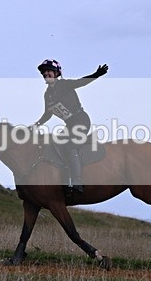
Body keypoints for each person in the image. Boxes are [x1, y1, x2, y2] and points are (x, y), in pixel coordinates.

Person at [34, 59, 108, 193]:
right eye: (44, 73)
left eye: (49, 71)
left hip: (81, 120)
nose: (45, 74)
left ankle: (77, 182)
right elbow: (47, 114)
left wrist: (97, 74)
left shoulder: (63, 84)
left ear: (56, 73)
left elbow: (81, 82)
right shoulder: (47, 94)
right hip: (69, 125)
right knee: (55, 145)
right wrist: (36, 124)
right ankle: (64, 179)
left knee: (70, 146)